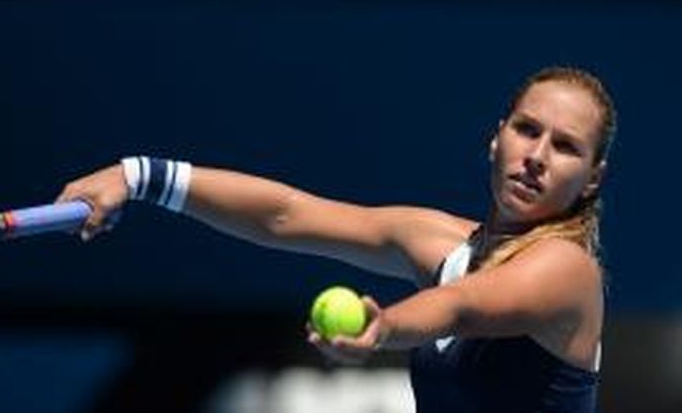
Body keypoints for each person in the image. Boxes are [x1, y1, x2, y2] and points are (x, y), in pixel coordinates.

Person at [57, 66, 617, 413]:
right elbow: (286, 215)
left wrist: (385, 328)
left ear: (593, 178)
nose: (537, 157)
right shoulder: (439, 242)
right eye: (527, 129)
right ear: (497, 138)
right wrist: (139, 176)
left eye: (566, 146)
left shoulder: (567, 270)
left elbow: (463, 307)